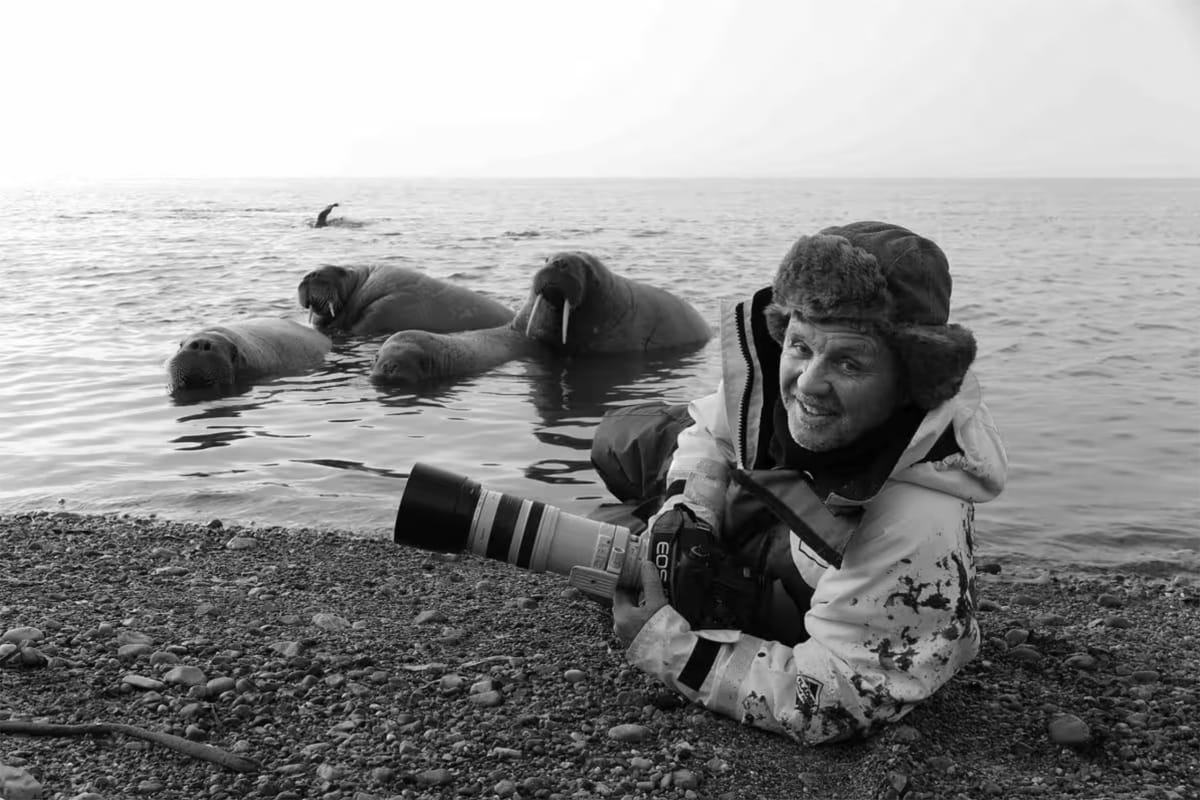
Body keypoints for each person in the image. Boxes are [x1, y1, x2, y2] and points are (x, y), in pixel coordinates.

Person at [600, 220, 1007, 744]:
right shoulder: (775, 382)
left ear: (911, 380)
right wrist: (685, 512)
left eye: (848, 361)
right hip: (781, 512)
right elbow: (712, 431)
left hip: (826, 581)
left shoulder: (916, 523)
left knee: (607, 540)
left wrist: (664, 643)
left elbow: (830, 700)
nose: (808, 384)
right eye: (800, 346)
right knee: (617, 439)